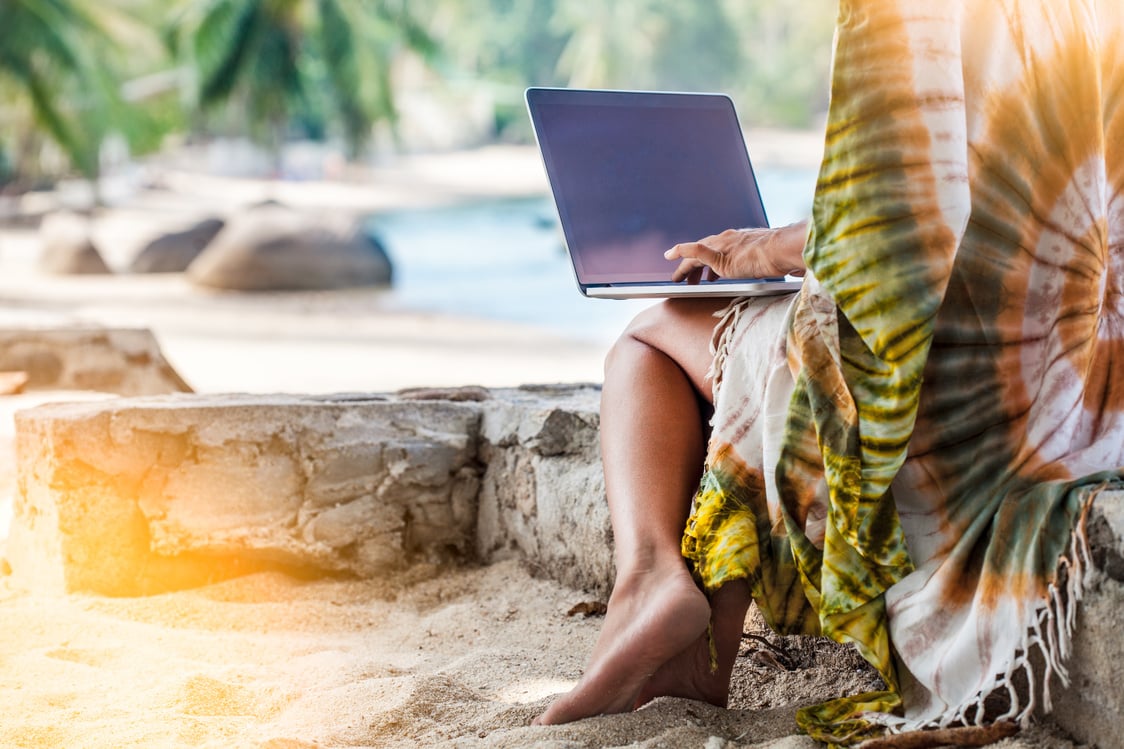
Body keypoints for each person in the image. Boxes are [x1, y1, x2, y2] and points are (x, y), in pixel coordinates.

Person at [536, 0, 1124, 743]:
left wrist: (766, 249)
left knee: (650, 337)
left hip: (945, 423)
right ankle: (693, 649)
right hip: (1085, 405)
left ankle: (653, 580)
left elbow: (898, 230)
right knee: (765, 334)